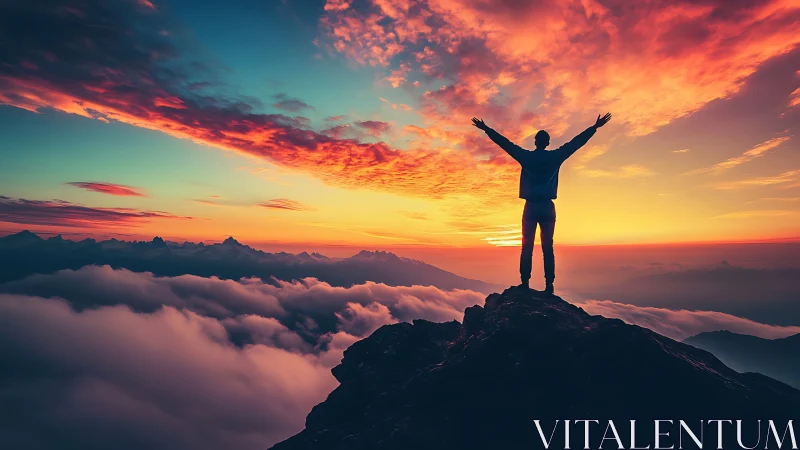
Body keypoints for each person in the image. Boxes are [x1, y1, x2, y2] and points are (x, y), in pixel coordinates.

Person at [472, 113, 612, 294]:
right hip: (547, 207)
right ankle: (549, 286)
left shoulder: (526, 157)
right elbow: (576, 143)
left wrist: (486, 129)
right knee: (548, 247)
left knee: (527, 247)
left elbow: (505, 144)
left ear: (535, 142)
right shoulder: (555, 157)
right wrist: (594, 128)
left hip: (530, 207)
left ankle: (525, 283)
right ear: (547, 143)